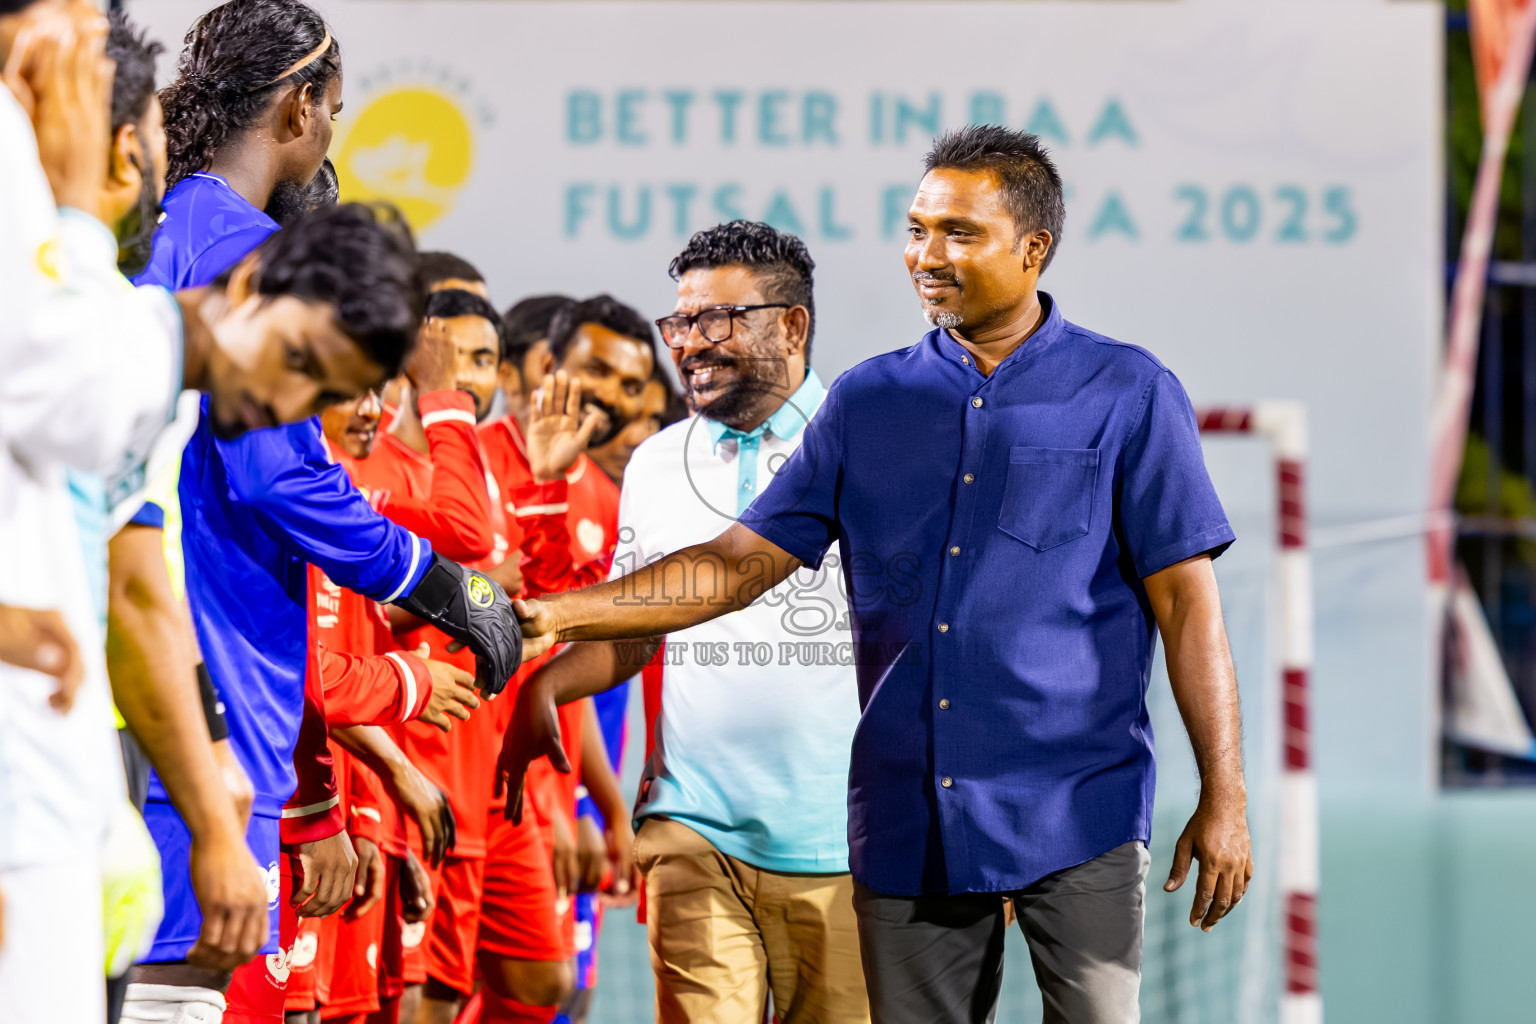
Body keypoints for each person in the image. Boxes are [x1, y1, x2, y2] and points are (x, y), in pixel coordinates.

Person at [504, 125, 1254, 1024]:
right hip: (907, 820)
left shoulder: (1128, 391)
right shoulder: (868, 401)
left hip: (1078, 808)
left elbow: (1187, 604)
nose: (926, 256)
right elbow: (735, 567)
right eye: (916, 230)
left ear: (1034, 248)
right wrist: (560, 615)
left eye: (958, 233)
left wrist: (1225, 795)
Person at [501, 222, 869, 1024]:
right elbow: (637, 629)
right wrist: (546, 688)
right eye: (681, 321)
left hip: (848, 847)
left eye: (718, 320)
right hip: (691, 828)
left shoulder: (871, 446)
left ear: (792, 326)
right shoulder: (658, 460)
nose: (689, 343)